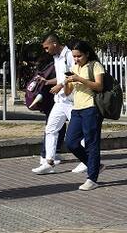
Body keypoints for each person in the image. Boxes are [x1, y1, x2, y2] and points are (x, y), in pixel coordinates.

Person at [33, 34, 87, 175]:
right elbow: (62, 76)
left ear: (54, 44)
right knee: (51, 129)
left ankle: (86, 160)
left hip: (72, 100)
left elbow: (73, 75)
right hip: (60, 100)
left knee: (80, 132)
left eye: (47, 47)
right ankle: (49, 162)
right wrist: (48, 82)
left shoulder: (70, 55)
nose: (46, 50)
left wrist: (61, 85)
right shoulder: (56, 57)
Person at [64, 40, 106, 191]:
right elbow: (68, 92)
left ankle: (92, 178)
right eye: (74, 56)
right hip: (77, 109)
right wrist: (66, 82)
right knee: (71, 142)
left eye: (79, 56)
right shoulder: (74, 67)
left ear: (87, 54)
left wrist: (79, 79)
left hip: (91, 108)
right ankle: (94, 165)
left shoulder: (95, 65)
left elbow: (99, 86)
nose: (76, 59)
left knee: (91, 143)